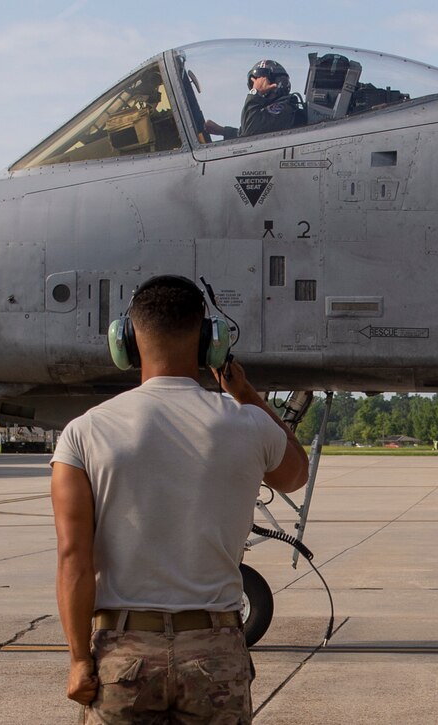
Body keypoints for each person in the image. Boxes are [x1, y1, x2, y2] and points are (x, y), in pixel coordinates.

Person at [50, 275, 308, 723]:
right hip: (214, 651)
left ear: (126, 341)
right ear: (210, 340)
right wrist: (247, 396)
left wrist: (78, 660)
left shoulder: (85, 431)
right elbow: (294, 474)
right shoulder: (247, 424)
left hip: (124, 654)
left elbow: (74, 556)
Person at [204, 59, 306, 140]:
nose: (256, 86)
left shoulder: (284, 109)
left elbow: (250, 132)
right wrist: (223, 131)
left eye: (262, 82)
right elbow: (247, 133)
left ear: (277, 84)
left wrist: (255, 93)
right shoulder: (276, 113)